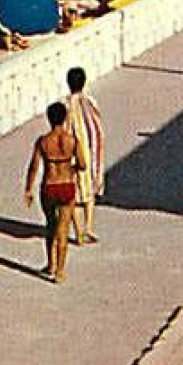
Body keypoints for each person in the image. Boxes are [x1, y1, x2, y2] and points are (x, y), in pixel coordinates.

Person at [24, 102, 80, 283]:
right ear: (64, 118)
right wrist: (72, 169)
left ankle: (51, 264)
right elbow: (83, 164)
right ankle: (60, 272)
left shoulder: (43, 141)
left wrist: (28, 189)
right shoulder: (72, 140)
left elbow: (34, 167)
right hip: (67, 185)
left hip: (49, 186)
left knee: (50, 226)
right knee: (63, 229)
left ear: (49, 119)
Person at [64, 66, 104, 245]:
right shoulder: (90, 102)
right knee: (89, 192)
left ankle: (78, 231)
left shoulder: (64, 104)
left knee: (72, 193)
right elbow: (97, 127)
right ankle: (88, 227)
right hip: (89, 151)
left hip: (71, 152)